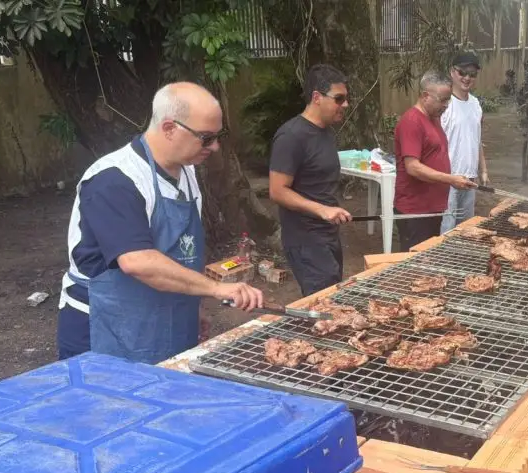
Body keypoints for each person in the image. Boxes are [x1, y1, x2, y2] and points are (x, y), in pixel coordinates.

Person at [56, 82, 264, 364]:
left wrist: (195, 306)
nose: (214, 147)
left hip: (166, 318)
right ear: (169, 128)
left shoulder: (187, 173)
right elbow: (137, 261)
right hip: (109, 327)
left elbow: (184, 250)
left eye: (218, 136)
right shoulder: (114, 180)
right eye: (205, 138)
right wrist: (215, 288)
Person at [268, 64, 353, 296]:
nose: (345, 104)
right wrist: (322, 210)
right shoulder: (291, 136)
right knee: (322, 303)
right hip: (305, 238)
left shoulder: (325, 131)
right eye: (339, 98)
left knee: (333, 295)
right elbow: (277, 191)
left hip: (327, 233)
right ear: (317, 97)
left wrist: (329, 212)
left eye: (346, 98)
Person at [394, 70, 476, 250]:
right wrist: (451, 179)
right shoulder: (412, 121)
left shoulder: (433, 118)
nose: (446, 105)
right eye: (443, 100)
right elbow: (413, 167)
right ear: (425, 96)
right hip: (415, 211)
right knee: (414, 265)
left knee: (426, 261)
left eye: (448, 100)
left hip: (432, 208)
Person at [440, 52, 489, 234]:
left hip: (469, 179)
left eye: (472, 74)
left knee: (466, 230)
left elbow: (477, 139)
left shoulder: (476, 104)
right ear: (452, 72)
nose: (467, 78)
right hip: (448, 179)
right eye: (462, 72)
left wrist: (483, 169)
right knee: (446, 229)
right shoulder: (445, 104)